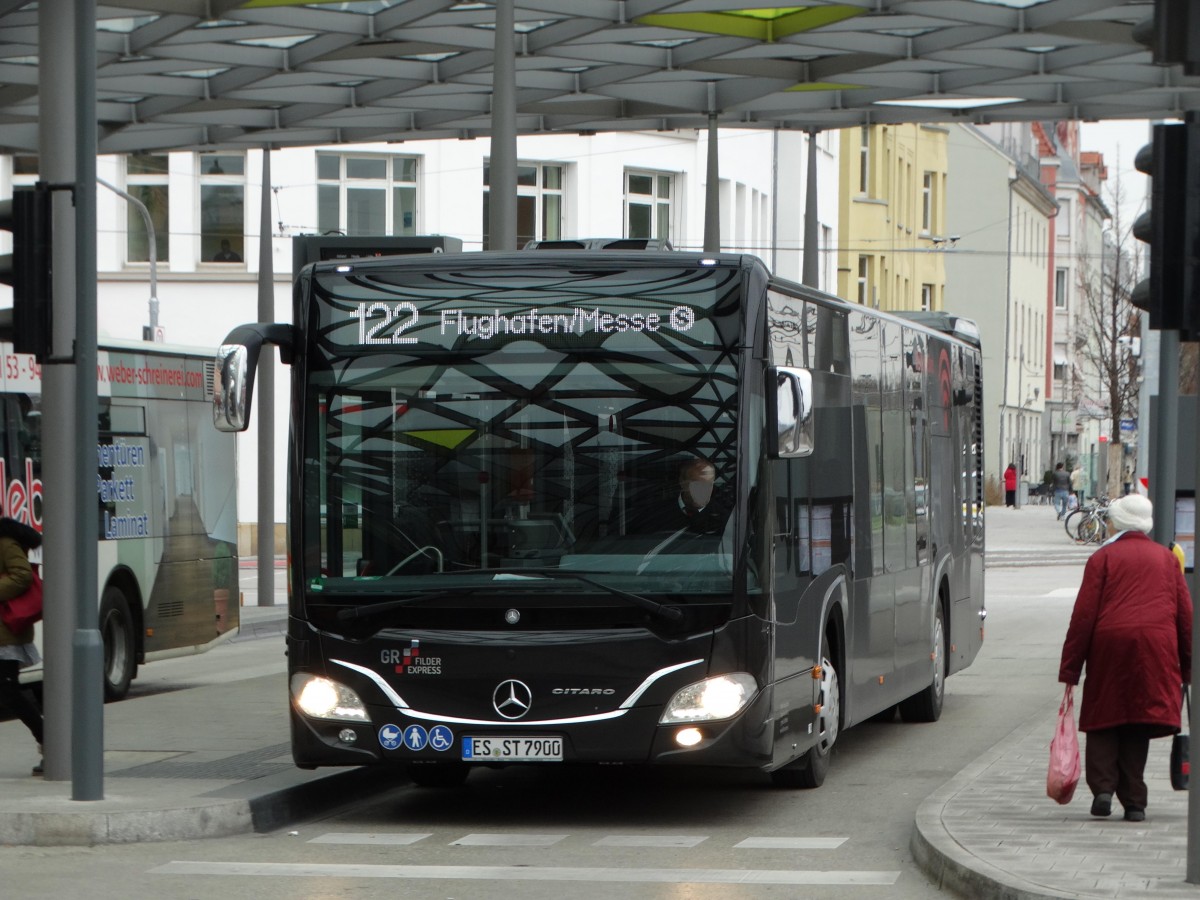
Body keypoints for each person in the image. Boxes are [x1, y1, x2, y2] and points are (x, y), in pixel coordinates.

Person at [1059, 494, 1192, 823]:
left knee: (1105, 714)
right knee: (1138, 719)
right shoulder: (1166, 559)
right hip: (1156, 646)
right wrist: (1188, 666)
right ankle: (1135, 802)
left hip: (1110, 644)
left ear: (1115, 521)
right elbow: (1185, 615)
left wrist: (1071, 669)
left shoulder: (1102, 558)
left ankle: (1103, 790)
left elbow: (1084, 615)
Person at [0, 517, 44, 776]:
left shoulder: (4, 541)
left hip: (5, 632)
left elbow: (22, 576)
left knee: (8, 692)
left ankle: (49, 739)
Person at [624, 456, 732, 536]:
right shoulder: (656, 511)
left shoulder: (724, 520)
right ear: (682, 483)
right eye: (697, 484)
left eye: (708, 485)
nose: (703, 491)